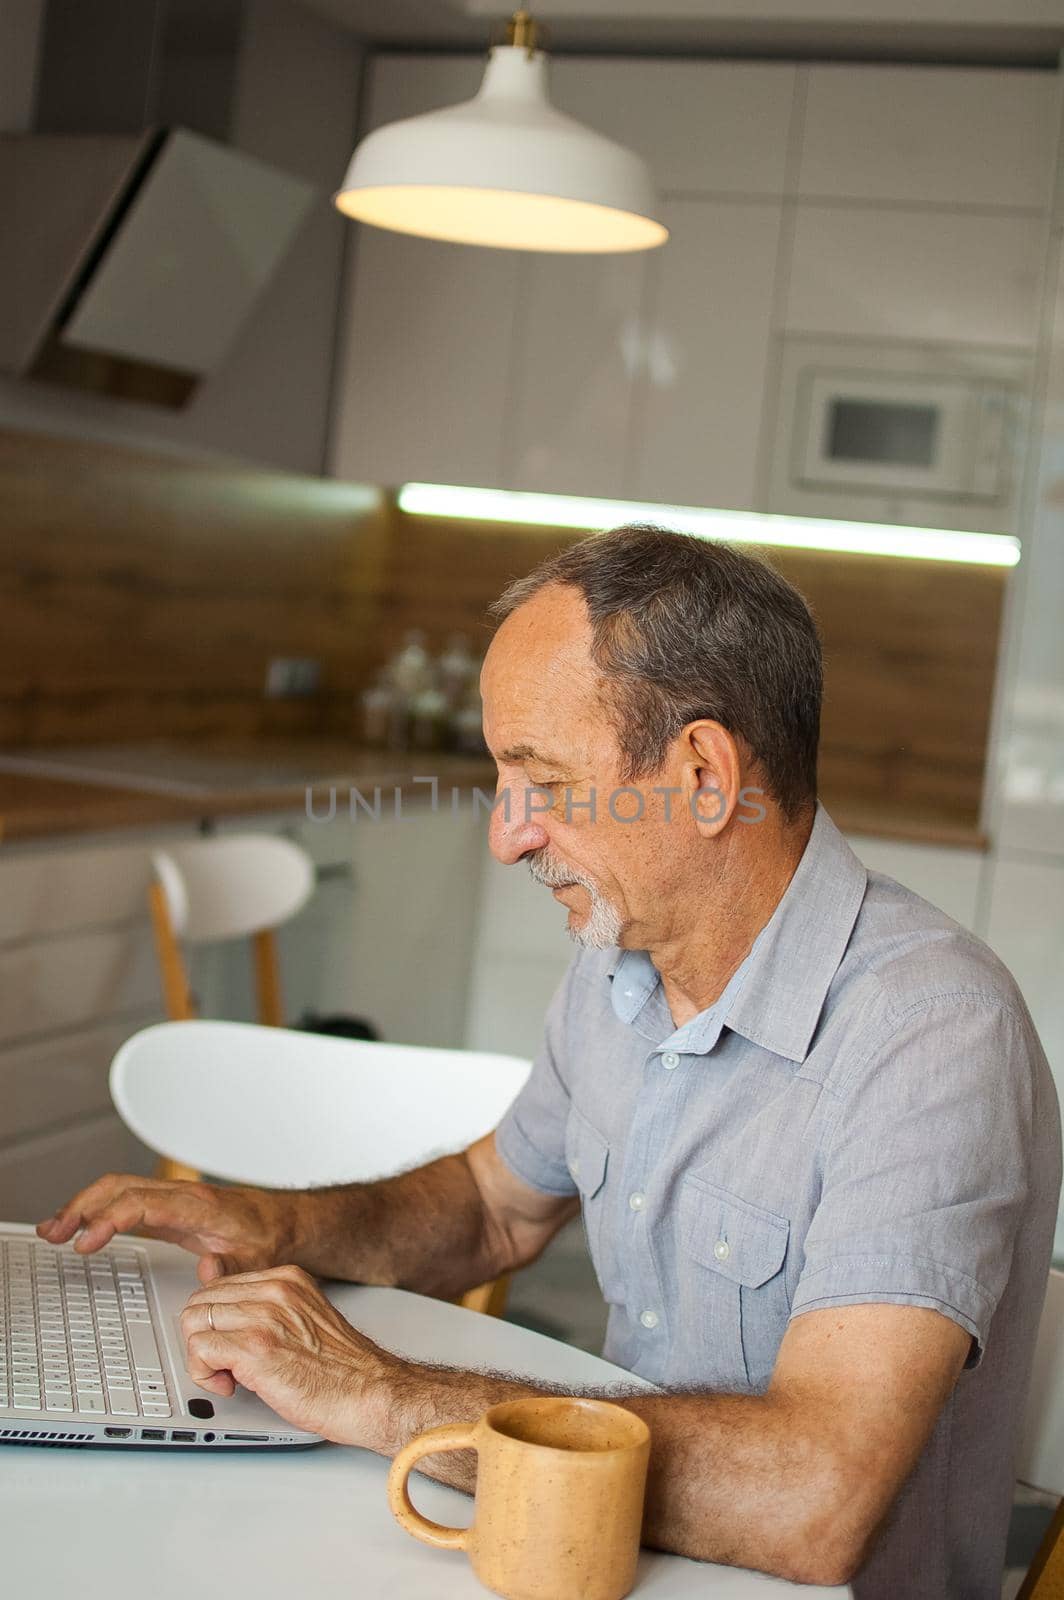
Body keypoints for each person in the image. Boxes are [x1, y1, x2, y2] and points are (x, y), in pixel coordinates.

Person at [39, 527, 1061, 1597]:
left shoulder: (929, 1033)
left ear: (703, 775)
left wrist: (385, 1396)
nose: (506, 836)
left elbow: (812, 1496)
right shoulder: (621, 960)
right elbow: (494, 1207)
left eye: (541, 780)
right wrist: (278, 1228)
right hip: (594, 1555)